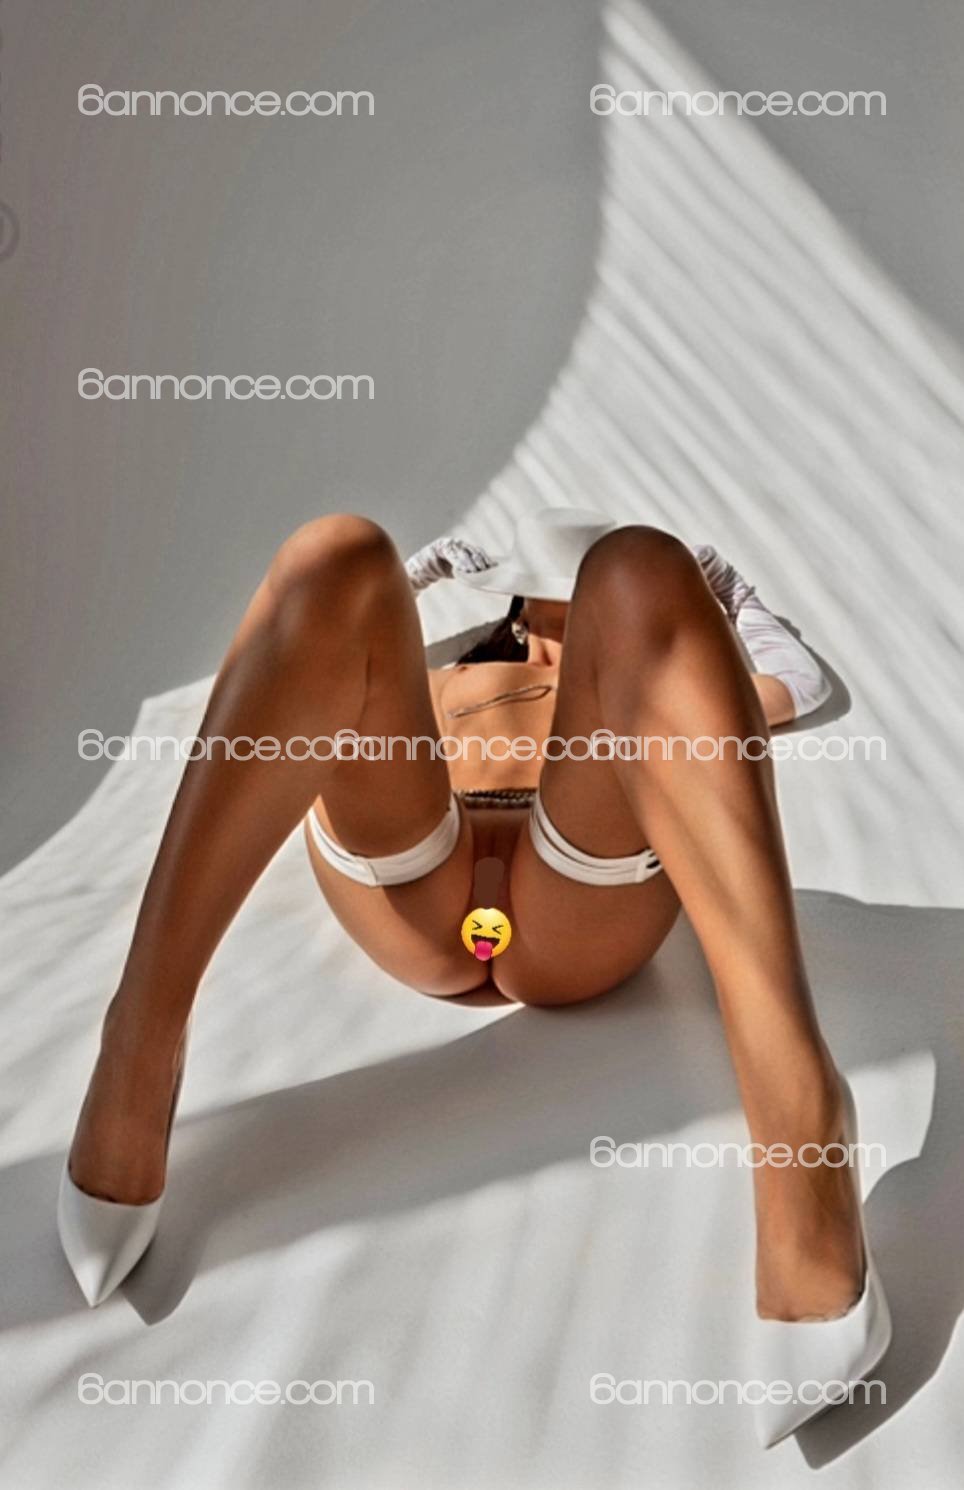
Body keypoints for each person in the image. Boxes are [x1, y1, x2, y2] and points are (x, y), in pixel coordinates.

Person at [58, 506, 890, 1446]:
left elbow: (796, 683)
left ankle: (799, 1121)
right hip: (411, 872)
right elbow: (310, 660)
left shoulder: (652, 678)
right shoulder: (441, 675)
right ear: (515, 605)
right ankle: (139, 1045)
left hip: (582, 896)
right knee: (337, 555)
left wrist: (717, 592)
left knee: (641, 564)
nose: (571, 601)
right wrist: (429, 572)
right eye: (551, 590)